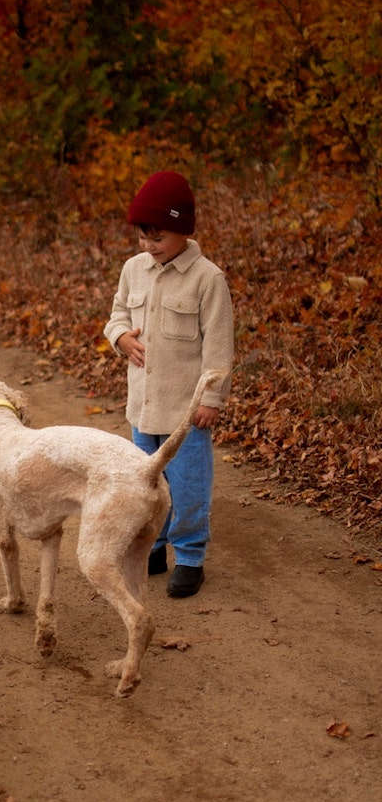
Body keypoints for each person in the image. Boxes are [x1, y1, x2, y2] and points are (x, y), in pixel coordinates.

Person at [104, 171, 234, 597]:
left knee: (188, 484)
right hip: (143, 407)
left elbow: (218, 346)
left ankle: (191, 555)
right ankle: (152, 547)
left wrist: (212, 398)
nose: (149, 246)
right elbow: (118, 314)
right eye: (144, 237)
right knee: (143, 483)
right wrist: (120, 337)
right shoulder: (133, 270)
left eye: (158, 237)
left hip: (185, 411)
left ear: (183, 229)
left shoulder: (207, 279)